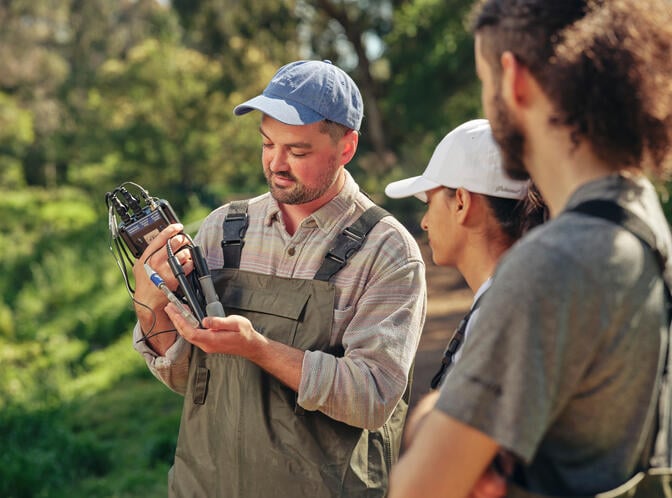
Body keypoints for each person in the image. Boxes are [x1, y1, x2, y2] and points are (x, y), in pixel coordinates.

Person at [389, 1, 672, 497]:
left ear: (513, 78)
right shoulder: (642, 221)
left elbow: (418, 488)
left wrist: (431, 418)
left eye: (483, 79)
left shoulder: (552, 263)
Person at [130, 59, 427, 497]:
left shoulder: (387, 251)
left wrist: (259, 349)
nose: (277, 163)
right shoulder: (221, 230)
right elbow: (186, 379)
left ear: (346, 148)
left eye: (298, 151)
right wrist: (149, 306)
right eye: (267, 144)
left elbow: (373, 396)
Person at [385, 118, 545, 441]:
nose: (426, 223)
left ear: (461, 201)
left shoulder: (500, 318)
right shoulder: (528, 298)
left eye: (429, 204)